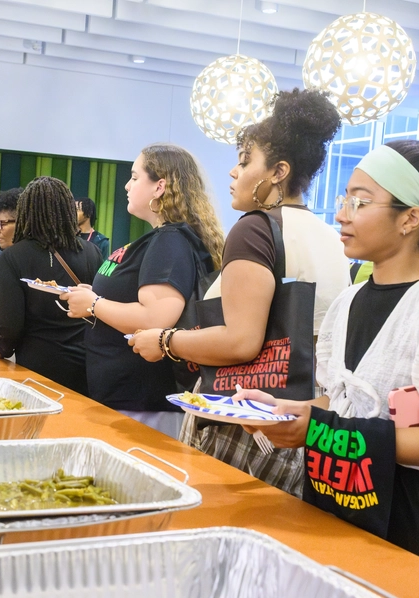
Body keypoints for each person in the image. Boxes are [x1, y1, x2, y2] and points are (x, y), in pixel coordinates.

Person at [236, 138, 419, 564]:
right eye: (344, 199)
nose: (341, 214)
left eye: (360, 202)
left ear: (410, 218)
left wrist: (321, 431)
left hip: (396, 519)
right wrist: (285, 411)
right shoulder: (349, 301)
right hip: (328, 498)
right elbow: (343, 403)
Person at [128, 89, 348, 493]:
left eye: (245, 161)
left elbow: (241, 340)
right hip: (302, 414)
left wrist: (164, 340)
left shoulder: (255, 229)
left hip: (246, 413)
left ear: (278, 171)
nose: (233, 172)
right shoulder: (331, 238)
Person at [62, 143, 226, 437]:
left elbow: (155, 318)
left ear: (159, 187)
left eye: (135, 177)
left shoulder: (170, 240)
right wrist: (96, 298)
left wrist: (94, 304)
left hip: (144, 401)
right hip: (129, 397)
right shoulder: (164, 238)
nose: (127, 185)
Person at [0, 177, 103, 395]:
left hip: (37, 367)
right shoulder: (92, 252)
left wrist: (1, 348)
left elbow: (10, 324)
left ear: (26, 212)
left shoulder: (13, 257)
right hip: (86, 365)